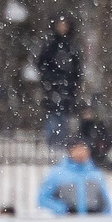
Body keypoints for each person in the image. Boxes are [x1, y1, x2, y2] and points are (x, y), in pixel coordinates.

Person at [34, 13, 84, 148]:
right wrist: (50, 80)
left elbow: (77, 69)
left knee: (63, 119)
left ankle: (58, 145)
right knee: (53, 118)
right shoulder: (50, 45)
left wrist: (73, 83)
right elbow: (42, 64)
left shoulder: (71, 47)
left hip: (66, 89)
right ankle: (52, 145)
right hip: (52, 89)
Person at [36, 139, 112, 214]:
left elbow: (106, 204)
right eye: (77, 149)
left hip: (92, 221)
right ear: (70, 151)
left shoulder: (96, 174)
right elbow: (42, 198)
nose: (81, 152)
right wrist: (63, 209)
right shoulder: (57, 174)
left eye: (84, 149)